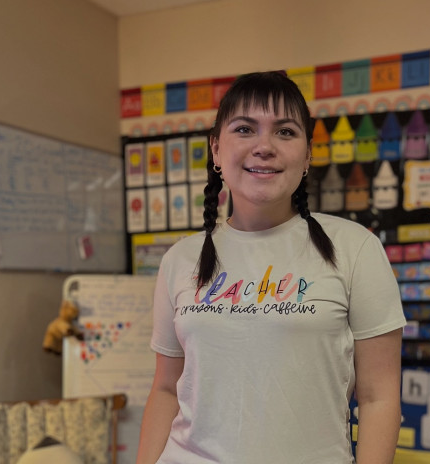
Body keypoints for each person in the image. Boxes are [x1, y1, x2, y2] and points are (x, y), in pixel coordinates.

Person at [137, 71, 406, 464]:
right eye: (244, 129)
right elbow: (165, 389)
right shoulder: (180, 259)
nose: (264, 146)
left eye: (285, 132)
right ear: (216, 150)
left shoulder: (356, 249)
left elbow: (378, 397)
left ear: (308, 154)